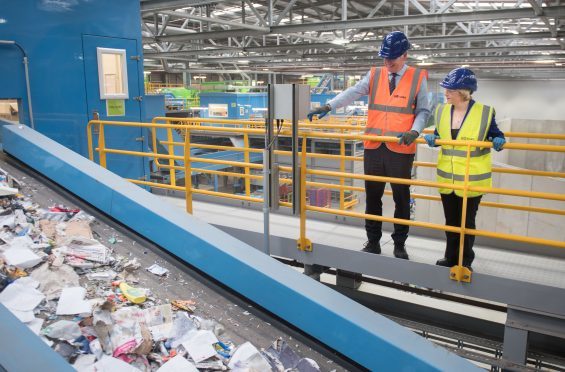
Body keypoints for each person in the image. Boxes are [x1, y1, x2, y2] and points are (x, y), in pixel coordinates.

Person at [307, 31, 430, 260]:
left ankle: (399, 244)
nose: (388, 62)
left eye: (392, 58)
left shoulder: (417, 77)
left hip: (401, 149)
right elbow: (353, 92)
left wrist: (415, 130)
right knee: (372, 197)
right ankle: (373, 242)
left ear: (405, 55)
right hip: (374, 147)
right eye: (384, 58)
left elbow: (423, 110)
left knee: (401, 198)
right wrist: (329, 106)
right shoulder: (375, 74)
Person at [424, 68, 505, 270]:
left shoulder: (484, 112)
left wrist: (498, 140)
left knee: (466, 224)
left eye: (450, 89)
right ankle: (450, 258)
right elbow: (440, 135)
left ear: (463, 91)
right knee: (451, 222)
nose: (446, 92)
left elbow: (496, 134)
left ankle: (465, 261)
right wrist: (433, 140)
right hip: (448, 179)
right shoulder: (442, 110)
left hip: (471, 180)